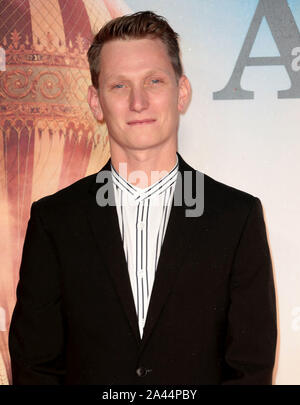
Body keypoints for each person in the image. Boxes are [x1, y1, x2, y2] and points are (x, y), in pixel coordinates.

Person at [9, 11, 277, 385]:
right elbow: (34, 367)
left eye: (154, 81)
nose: (138, 102)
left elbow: (250, 370)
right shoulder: (54, 221)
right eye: (119, 85)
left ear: (181, 92)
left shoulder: (237, 217)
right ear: (95, 101)